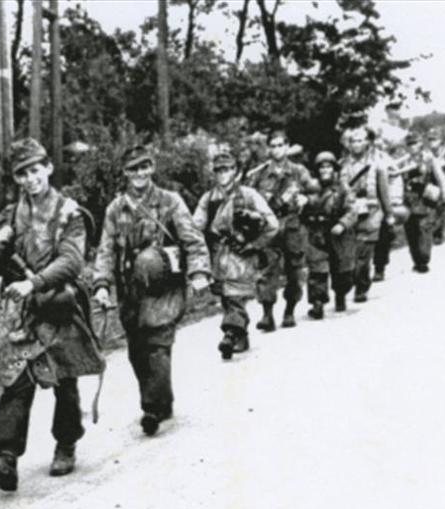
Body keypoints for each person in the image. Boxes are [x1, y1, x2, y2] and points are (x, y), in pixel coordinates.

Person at [0, 137, 105, 489]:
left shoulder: (69, 213)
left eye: (35, 170)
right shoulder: (9, 215)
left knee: (65, 379)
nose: (30, 179)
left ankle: (66, 443)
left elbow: (72, 260)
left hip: (57, 304)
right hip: (20, 310)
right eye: (22, 174)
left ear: (48, 168)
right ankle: (6, 459)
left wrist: (34, 283)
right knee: (15, 381)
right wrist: (0, 244)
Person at [91, 144, 211, 436]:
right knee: (137, 350)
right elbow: (106, 250)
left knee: (158, 344)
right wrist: (102, 284)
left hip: (163, 286)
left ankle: (152, 408)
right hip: (130, 289)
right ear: (125, 172)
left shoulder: (170, 201)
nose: (140, 173)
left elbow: (192, 240)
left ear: (152, 168)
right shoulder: (116, 209)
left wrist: (198, 273)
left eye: (144, 166)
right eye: (133, 169)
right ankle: (161, 400)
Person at [193, 148, 279, 360]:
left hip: (242, 255)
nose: (223, 174)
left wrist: (255, 244)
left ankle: (230, 334)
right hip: (218, 254)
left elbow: (272, 224)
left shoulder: (249, 195)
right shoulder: (208, 199)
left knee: (235, 296)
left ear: (235, 171)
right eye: (219, 170)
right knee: (227, 296)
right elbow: (196, 226)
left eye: (227, 169)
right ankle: (241, 335)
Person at [245, 129, 319, 331]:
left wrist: (306, 199)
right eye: (273, 146)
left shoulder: (298, 171)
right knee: (267, 270)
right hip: (269, 227)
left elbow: (316, 193)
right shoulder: (259, 174)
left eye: (280, 145)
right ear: (269, 148)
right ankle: (267, 314)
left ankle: (289, 311)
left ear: (287, 147)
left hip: (293, 226)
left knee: (294, 270)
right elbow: (248, 199)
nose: (277, 149)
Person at [338, 126, 394, 302]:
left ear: (367, 143)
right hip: (349, 213)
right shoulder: (343, 166)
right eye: (353, 141)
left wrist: (389, 214)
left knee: (363, 253)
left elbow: (384, 192)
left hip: (371, 213)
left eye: (360, 140)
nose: (356, 144)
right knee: (349, 253)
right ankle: (351, 282)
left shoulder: (377, 166)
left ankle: (361, 288)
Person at [303, 152, 358, 318]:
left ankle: (340, 295)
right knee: (317, 269)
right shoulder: (310, 188)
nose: (325, 170)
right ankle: (317, 303)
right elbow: (302, 208)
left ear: (334, 169)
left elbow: (352, 210)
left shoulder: (342, 188)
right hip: (317, 232)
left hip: (338, 234)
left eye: (328, 167)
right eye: (321, 167)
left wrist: (342, 224)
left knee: (342, 270)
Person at [402, 133, 445, 273]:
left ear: (420, 144)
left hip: (425, 199)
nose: (412, 147)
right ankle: (417, 261)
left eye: (415, 143)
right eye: (409, 144)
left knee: (424, 228)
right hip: (407, 200)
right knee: (411, 231)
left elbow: (441, 178)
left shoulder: (429, 159)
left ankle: (424, 259)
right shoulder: (403, 161)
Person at [368, 128, 407, 282]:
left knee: (382, 236)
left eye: (375, 140)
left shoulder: (384, 158)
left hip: (380, 202)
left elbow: (395, 179)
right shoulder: (349, 159)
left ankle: (379, 267)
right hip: (358, 203)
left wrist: (393, 201)